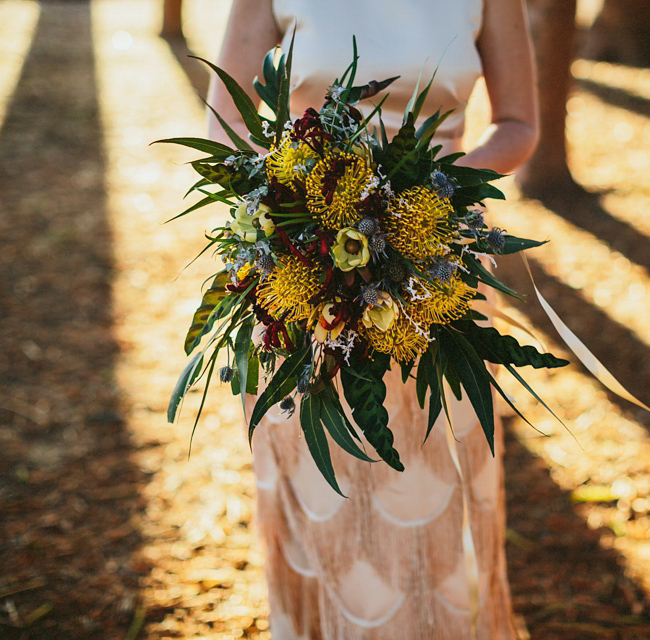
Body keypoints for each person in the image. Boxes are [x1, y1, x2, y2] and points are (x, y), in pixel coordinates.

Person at [207, 1, 537, 638]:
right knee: (329, 510)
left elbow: (519, 125)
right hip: (305, 270)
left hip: (438, 267)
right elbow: (228, 127)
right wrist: (299, 205)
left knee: (432, 500)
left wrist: (423, 193)